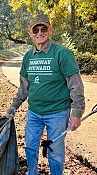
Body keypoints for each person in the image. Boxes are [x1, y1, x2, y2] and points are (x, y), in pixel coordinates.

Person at [6, 14, 85, 175]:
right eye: (36, 30)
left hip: (57, 113)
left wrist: (76, 113)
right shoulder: (28, 57)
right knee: (30, 146)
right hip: (34, 112)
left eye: (43, 29)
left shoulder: (62, 53)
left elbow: (76, 86)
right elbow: (23, 88)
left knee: (55, 150)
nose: (39, 33)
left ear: (50, 31)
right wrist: (13, 107)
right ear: (30, 33)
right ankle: (32, 172)